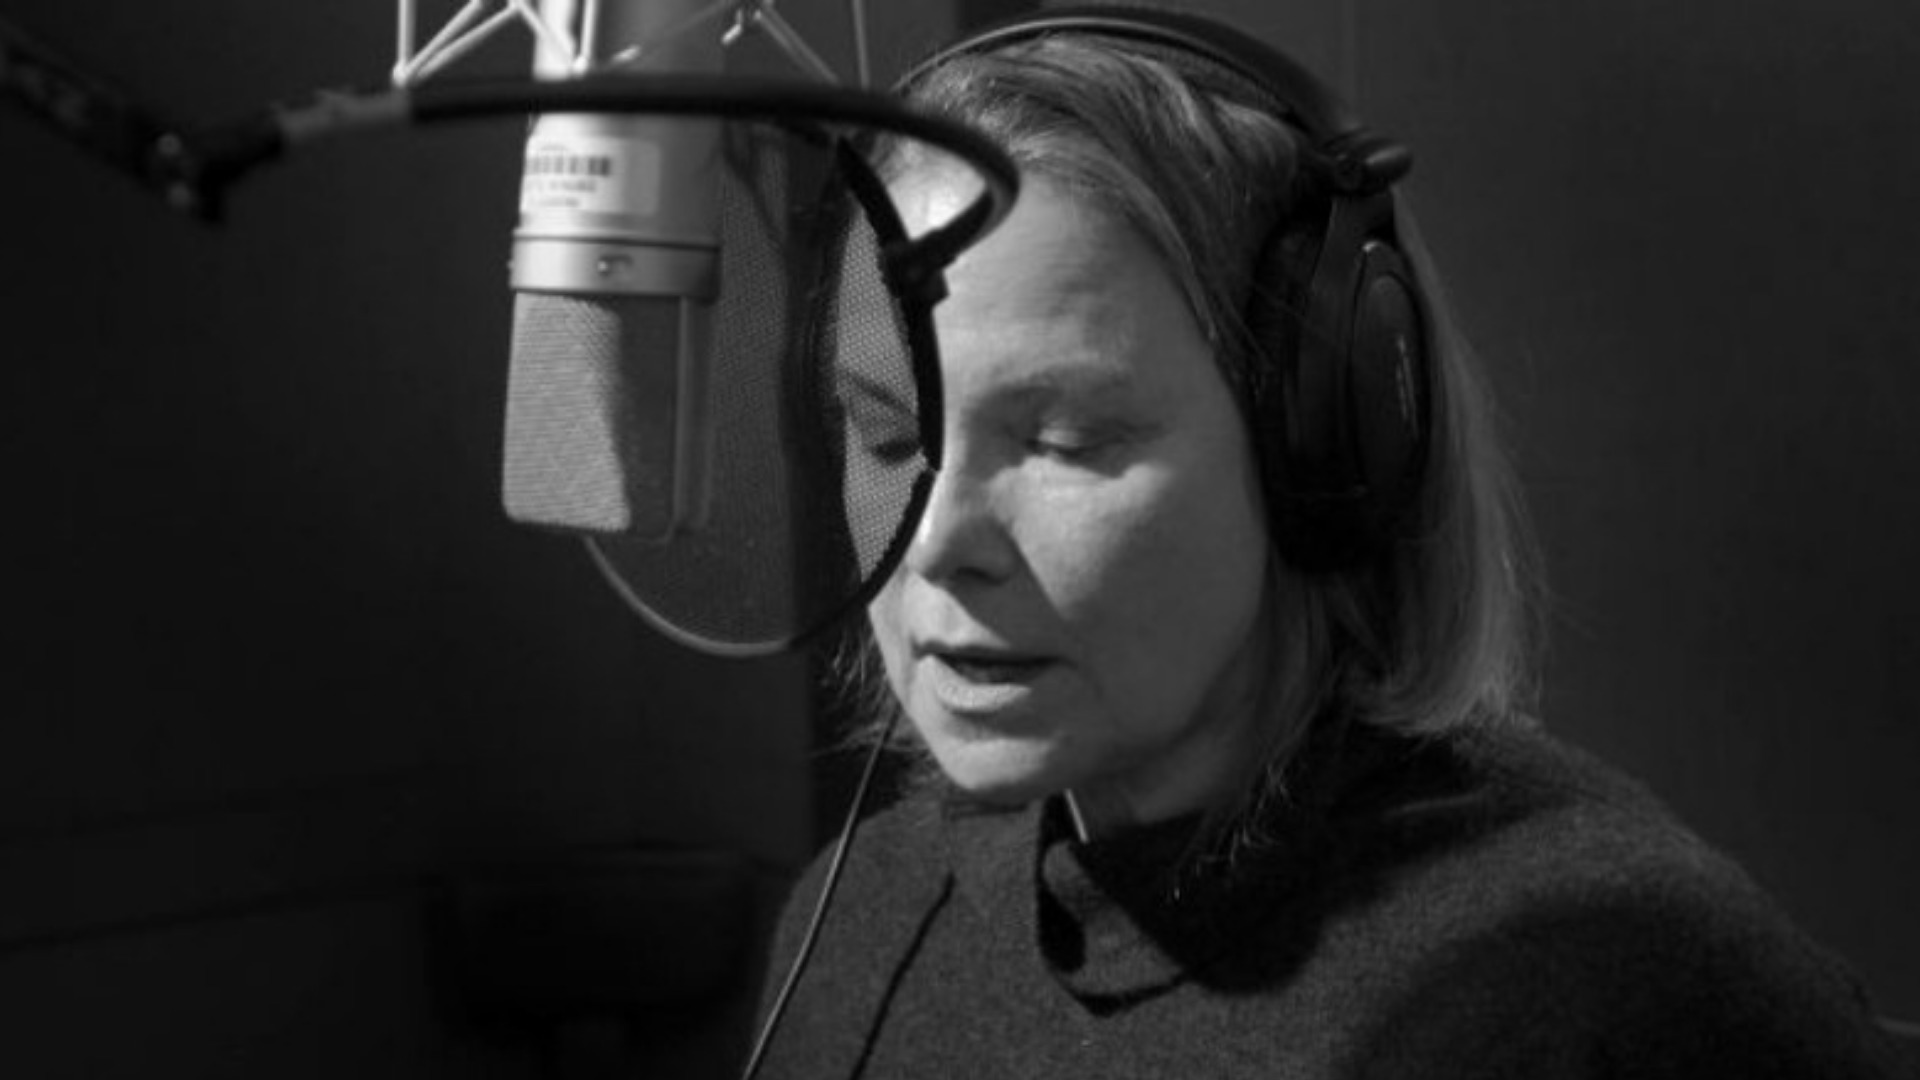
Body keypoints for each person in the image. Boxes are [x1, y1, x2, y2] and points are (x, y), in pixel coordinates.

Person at [752, 5, 1915, 1077]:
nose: (934, 543)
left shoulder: (1626, 989)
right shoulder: (860, 924)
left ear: (1323, 441)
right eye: (887, 433)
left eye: (1066, 441)